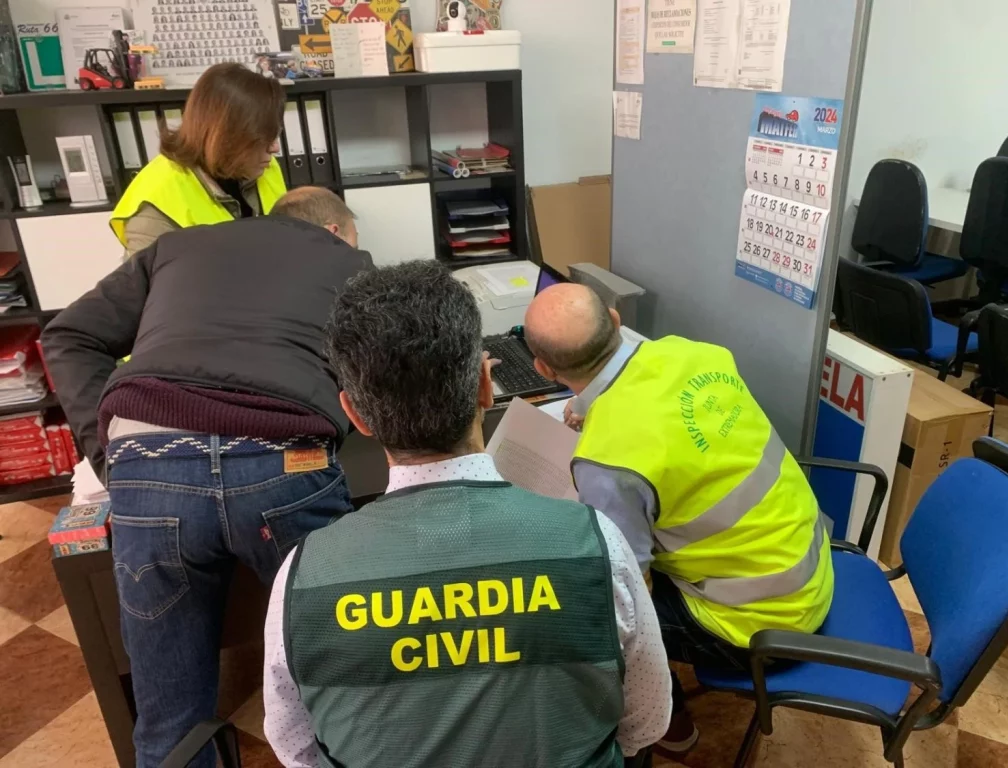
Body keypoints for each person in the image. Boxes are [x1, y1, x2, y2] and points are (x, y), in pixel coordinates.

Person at [264, 261, 672, 768]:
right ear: (486, 385)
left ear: (356, 416)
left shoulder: (301, 579)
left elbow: (297, 749)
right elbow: (648, 722)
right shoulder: (597, 544)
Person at [41, 187, 371, 768]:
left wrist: (110, 457)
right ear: (337, 231)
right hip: (283, 461)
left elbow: (67, 335)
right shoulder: (348, 261)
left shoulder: (178, 246)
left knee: (169, 717)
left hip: (151, 466)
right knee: (349, 679)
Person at [524, 284, 834, 756]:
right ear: (613, 317)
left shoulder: (608, 463)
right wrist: (593, 409)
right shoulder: (692, 354)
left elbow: (629, 585)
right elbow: (664, 421)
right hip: (807, 567)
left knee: (591, 612)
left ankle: (667, 725)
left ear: (544, 369)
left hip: (758, 627)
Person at [109, 62, 287, 258]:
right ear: (226, 136)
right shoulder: (157, 202)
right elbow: (151, 287)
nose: (275, 148)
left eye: (275, 134)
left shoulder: (262, 166)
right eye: (262, 138)